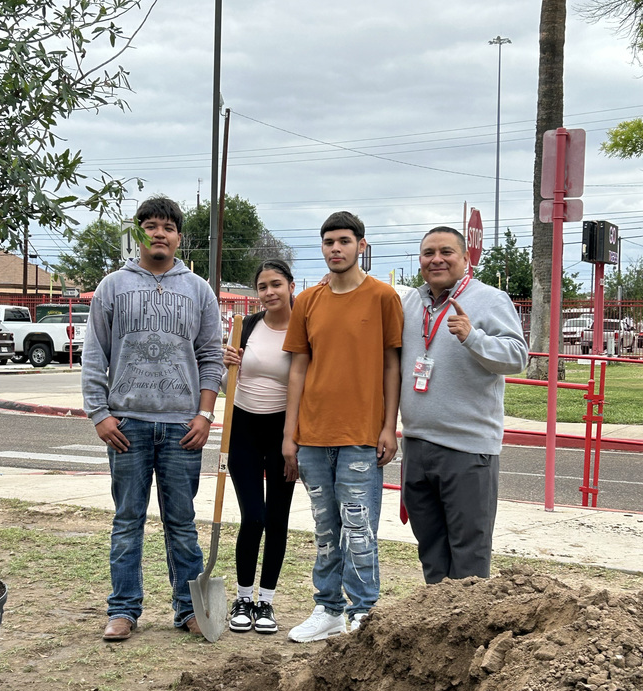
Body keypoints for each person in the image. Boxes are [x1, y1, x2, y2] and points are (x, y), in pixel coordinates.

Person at [81, 195, 223, 640]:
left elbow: (211, 357)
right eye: (150, 226)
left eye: (167, 227)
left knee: (182, 523)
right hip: (127, 425)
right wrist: (100, 414)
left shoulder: (198, 291)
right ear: (138, 233)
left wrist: (204, 414)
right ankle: (123, 609)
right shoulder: (112, 287)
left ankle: (189, 610)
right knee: (127, 520)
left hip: (182, 427)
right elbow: (93, 354)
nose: (159, 233)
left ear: (179, 237)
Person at [282, 212, 403, 642]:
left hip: (361, 436)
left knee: (359, 526)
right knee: (325, 528)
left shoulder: (383, 297)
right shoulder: (309, 302)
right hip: (313, 436)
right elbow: (298, 367)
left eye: (344, 241)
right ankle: (329, 609)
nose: (336, 248)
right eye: (329, 242)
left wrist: (389, 426)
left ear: (361, 245)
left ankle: (364, 609)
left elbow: (393, 364)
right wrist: (289, 434)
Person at [399, 226, 528, 584]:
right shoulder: (411, 302)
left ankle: (467, 636)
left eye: (446, 252)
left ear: (465, 258)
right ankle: (439, 628)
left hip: (468, 449)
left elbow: (518, 357)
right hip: (416, 443)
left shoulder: (490, 299)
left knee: (468, 554)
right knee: (431, 548)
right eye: (428, 253)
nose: (436, 259)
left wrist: (473, 337)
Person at [222, 260, 298, 636]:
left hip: (284, 432)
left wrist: (295, 438)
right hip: (244, 429)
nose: (269, 292)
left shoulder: (304, 327)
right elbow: (227, 385)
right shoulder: (246, 327)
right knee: (252, 516)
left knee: (276, 519)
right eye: (262, 286)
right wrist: (227, 365)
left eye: (276, 285)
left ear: (290, 286)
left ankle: (266, 601)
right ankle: (243, 597)